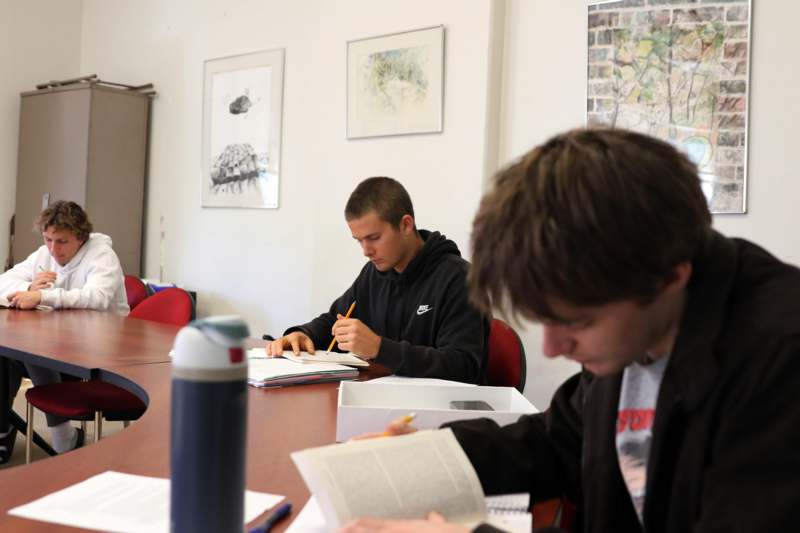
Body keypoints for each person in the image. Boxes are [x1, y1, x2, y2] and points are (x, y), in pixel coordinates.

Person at [341, 129, 800, 532]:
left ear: (667, 278)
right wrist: (432, 457)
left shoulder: (778, 361)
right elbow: (558, 441)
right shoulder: (640, 326)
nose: (553, 348)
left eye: (576, 321)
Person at [267, 176, 489, 384]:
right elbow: (335, 320)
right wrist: (303, 335)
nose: (366, 251)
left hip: (436, 412)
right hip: (382, 398)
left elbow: (464, 368)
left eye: (373, 238)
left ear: (406, 225)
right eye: (359, 241)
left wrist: (380, 349)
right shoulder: (374, 272)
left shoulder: (460, 279)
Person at [0, 201, 129, 462]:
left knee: (30, 346)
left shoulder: (102, 255)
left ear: (80, 237)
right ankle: (3, 431)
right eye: (48, 239)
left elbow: (98, 298)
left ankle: (62, 434)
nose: (53, 249)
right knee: (5, 356)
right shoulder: (44, 253)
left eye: (61, 242)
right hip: (58, 344)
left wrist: (42, 296)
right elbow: (4, 281)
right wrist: (28, 285)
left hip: (100, 347)